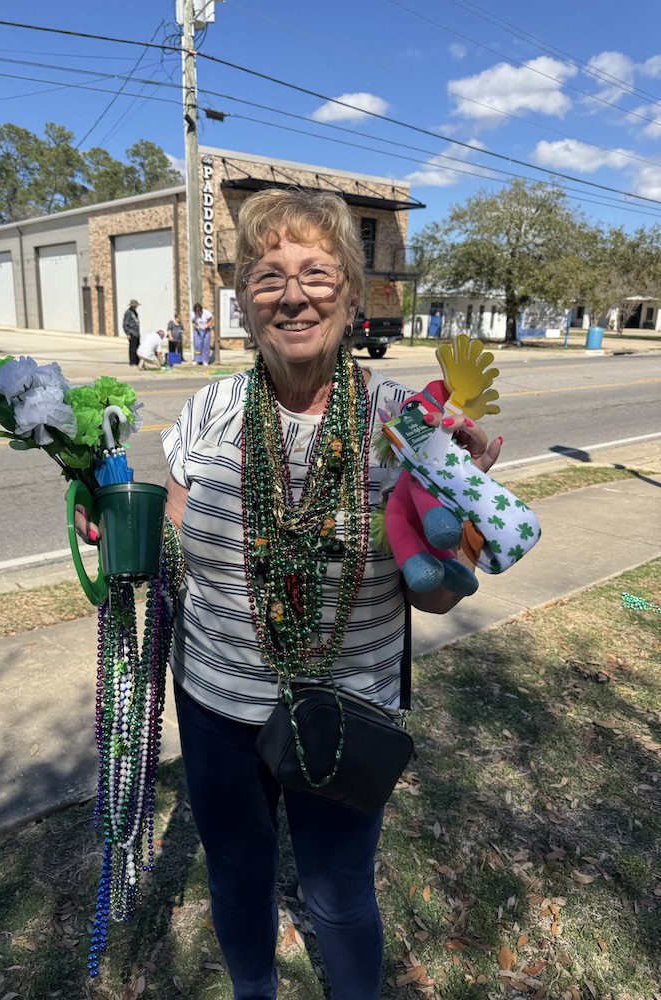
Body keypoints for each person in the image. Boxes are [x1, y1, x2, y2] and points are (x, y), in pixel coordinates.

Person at [77, 189, 500, 999]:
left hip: (348, 710)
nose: (293, 295)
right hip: (217, 706)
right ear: (242, 301)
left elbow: (439, 599)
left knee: (338, 898)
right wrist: (120, 533)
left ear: (352, 293)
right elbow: (173, 551)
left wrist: (462, 514)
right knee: (237, 880)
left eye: (317, 272)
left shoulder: (408, 424)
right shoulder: (210, 410)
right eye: (268, 276)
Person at [122, 299, 141, 366]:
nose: (135, 307)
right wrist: (127, 333)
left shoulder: (135, 312)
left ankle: (137, 361)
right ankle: (132, 362)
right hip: (132, 332)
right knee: (133, 348)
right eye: (134, 306)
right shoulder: (128, 313)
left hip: (136, 332)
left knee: (137, 347)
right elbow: (125, 324)